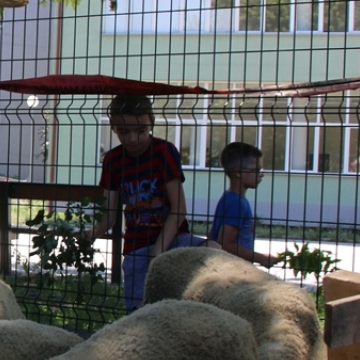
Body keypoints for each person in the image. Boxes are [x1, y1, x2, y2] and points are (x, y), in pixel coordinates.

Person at [85, 94, 204, 312]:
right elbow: (110, 215)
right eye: (123, 131)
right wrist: (92, 232)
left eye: (140, 130)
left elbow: (179, 210)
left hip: (174, 239)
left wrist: (157, 252)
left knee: (214, 249)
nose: (132, 138)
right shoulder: (113, 160)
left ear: (151, 124)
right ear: (113, 128)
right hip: (137, 247)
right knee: (139, 314)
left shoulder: (164, 152)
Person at [207, 141, 281, 269]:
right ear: (238, 172)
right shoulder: (237, 204)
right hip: (232, 270)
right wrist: (261, 258)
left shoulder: (229, 198)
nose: (261, 174)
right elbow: (225, 244)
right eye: (257, 170)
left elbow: (212, 234)